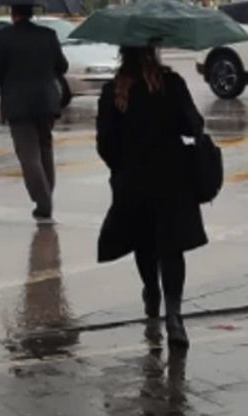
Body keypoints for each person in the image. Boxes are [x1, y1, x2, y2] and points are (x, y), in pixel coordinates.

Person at [95, 45, 206, 348]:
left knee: (143, 243)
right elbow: (194, 124)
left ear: (122, 54)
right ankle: (174, 314)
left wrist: (120, 167)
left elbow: (104, 143)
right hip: (171, 179)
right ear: (154, 51)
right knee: (171, 247)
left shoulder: (113, 91)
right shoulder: (171, 84)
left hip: (132, 182)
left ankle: (151, 291)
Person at [0, 5, 69, 220]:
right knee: (45, 149)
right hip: (46, 101)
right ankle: (46, 196)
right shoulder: (48, 35)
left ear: (13, 14)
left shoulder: (2, 38)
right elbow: (62, 65)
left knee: (28, 154)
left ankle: (43, 203)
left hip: (18, 104)